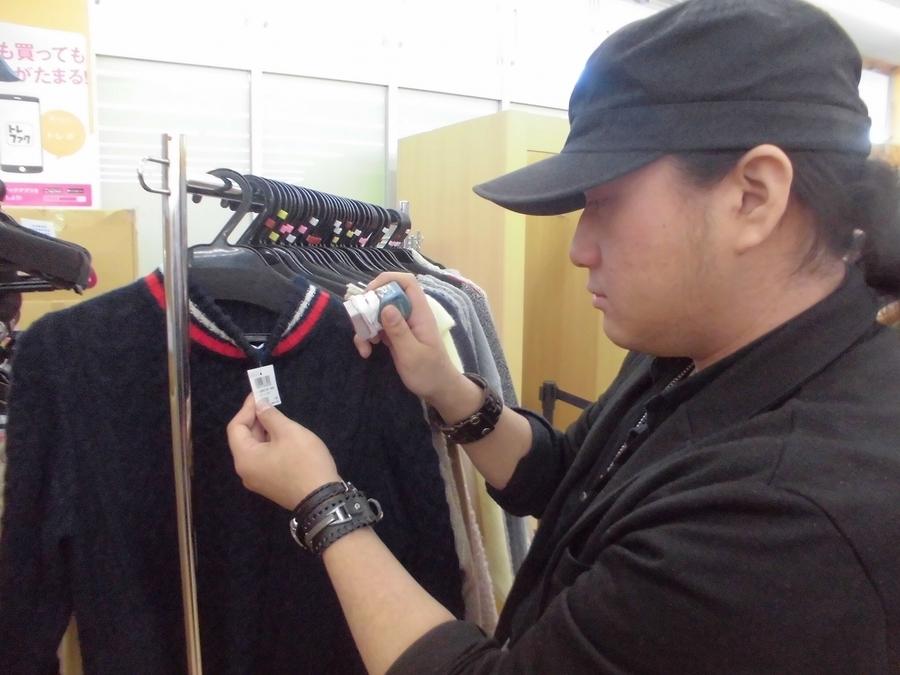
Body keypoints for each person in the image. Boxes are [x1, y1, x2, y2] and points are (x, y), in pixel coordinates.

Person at [226, 0, 900, 672]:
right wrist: (446, 386)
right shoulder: (692, 347)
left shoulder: (785, 521)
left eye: (604, 202)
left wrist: (325, 504)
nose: (579, 248)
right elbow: (570, 479)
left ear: (753, 196)